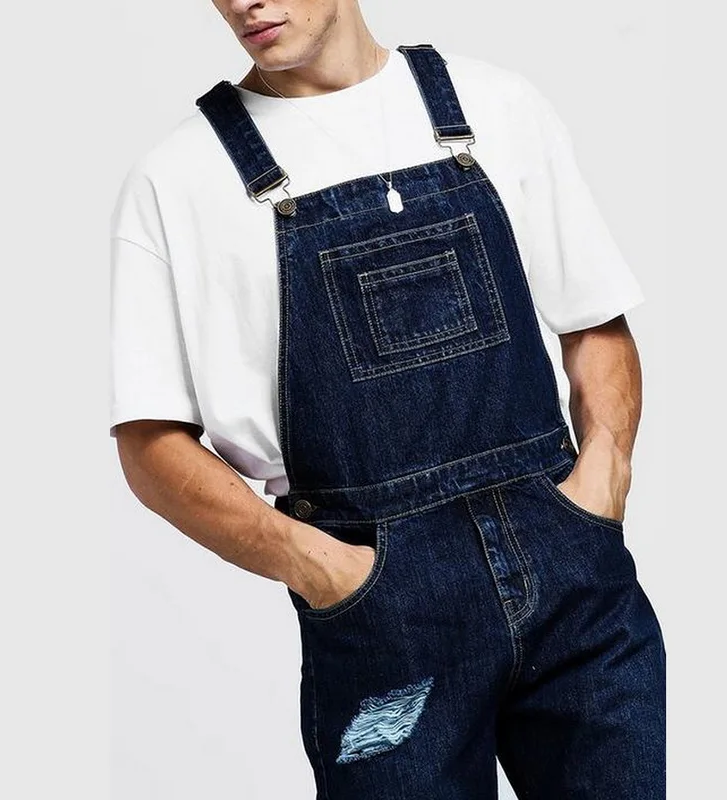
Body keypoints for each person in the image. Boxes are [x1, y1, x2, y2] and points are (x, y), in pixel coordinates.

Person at [109, 1, 666, 797]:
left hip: (572, 575)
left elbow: (594, 319)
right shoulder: (178, 179)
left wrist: (604, 476)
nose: (243, 2)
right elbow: (150, 446)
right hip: (384, 613)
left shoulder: (495, 105)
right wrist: (326, 570)